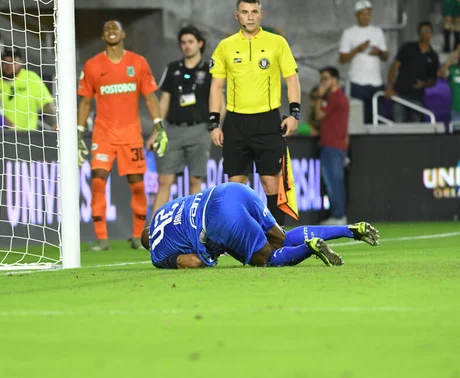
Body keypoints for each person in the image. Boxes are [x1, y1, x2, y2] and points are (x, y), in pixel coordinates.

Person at [208, 0, 301, 227]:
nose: (249, 17)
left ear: (261, 15)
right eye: (245, 12)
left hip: (267, 120)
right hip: (235, 121)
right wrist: (214, 123)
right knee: (236, 186)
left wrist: (294, 114)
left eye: (254, 12)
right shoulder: (225, 46)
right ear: (236, 16)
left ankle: (275, 240)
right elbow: (216, 87)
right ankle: (240, 239)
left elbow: (292, 79)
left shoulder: (277, 43)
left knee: (271, 183)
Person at [77, 20, 168, 251]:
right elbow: (86, 101)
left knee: (137, 186)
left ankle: (138, 236)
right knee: (97, 182)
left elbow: (150, 97)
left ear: (123, 34)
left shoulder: (137, 63)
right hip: (103, 135)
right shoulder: (93, 65)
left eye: (114, 28)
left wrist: (159, 125)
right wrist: (78, 132)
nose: (110, 31)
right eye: (106, 28)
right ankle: (101, 238)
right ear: (102, 36)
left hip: (131, 135)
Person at [141, 182, 379, 269]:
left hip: (219, 219)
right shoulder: (161, 211)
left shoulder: (157, 253)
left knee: (266, 258)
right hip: (233, 190)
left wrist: (208, 258)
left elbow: (191, 261)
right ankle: (350, 230)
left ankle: (310, 247)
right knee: (280, 239)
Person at [148, 26, 216, 215]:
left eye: (190, 42)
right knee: (165, 180)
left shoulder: (210, 69)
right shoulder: (173, 69)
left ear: (200, 43)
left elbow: (219, 100)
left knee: (196, 180)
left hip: (200, 129)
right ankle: (153, 230)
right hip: (173, 130)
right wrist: (157, 131)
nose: (186, 46)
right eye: (183, 42)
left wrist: (214, 127)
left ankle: (194, 228)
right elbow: (164, 101)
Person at [339, 0, 388, 124]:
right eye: (362, 14)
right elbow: (343, 58)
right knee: (359, 120)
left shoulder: (378, 32)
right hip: (357, 83)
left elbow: (386, 56)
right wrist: (358, 49)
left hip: (376, 83)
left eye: (368, 14)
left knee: (378, 119)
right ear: (357, 15)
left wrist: (379, 52)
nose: (365, 17)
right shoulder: (349, 33)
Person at [314, 67, 350, 225]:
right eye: (322, 79)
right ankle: (337, 215)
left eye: (326, 79)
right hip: (332, 144)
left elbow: (318, 115)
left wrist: (319, 97)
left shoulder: (336, 97)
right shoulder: (335, 97)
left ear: (334, 79)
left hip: (333, 145)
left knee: (334, 181)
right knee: (333, 181)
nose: (323, 82)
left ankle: (338, 216)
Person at [0, 47, 57, 131]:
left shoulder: (31, 78)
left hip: (27, 136)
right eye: (6, 61)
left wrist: (55, 123)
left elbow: (46, 104)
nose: (9, 65)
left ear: (22, 62)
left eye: (14, 62)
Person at [386, 21, 440, 123]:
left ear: (432, 33)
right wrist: (389, 87)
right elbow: (394, 67)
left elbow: (433, 81)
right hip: (400, 95)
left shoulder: (433, 56)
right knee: (398, 127)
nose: (425, 33)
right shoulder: (408, 47)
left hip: (417, 98)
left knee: (416, 130)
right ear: (419, 32)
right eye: (423, 30)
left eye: (428, 31)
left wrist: (424, 84)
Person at [444, 47, 460, 132]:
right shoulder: (452, 69)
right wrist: (451, 58)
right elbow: (441, 74)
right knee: (458, 141)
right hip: (457, 111)